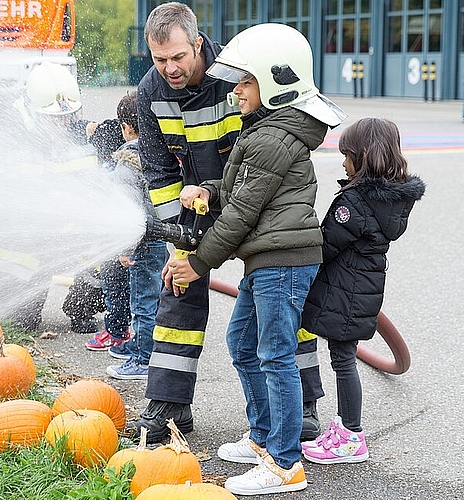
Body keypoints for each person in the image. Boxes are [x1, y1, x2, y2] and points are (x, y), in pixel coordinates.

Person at [129, 1, 325, 444]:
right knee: (176, 290)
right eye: (159, 59)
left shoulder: (239, 74)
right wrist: (178, 242)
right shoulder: (149, 93)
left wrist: (225, 227)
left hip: (257, 198)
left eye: (178, 57)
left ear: (197, 44)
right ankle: (170, 404)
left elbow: (269, 148)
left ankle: (304, 405)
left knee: (281, 302)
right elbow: (159, 173)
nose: (169, 68)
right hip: (197, 203)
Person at [166, 22, 346, 496]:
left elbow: (243, 213)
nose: (236, 90)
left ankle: (285, 463)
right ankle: (265, 436)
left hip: (281, 261)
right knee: (244, 344)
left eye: (246, 81)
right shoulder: (268, 130)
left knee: (275, 355)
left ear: (276, 82)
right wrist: (207, 190)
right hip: (268, 260)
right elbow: (241, 191)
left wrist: (197, 263)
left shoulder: (271, 137)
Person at [298, 118, 425, 465]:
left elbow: (325, 246)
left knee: (342, 359)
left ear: (364, 156)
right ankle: (344, 428)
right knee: (344, 357)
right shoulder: (393, 200)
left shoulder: (352, 203)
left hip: (345, 291)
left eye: (347, 155)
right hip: (364, 288)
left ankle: (351, 436)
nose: (343, 162)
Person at [0, 61, 107, 333]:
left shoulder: (81, 134)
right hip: (28, 239)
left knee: (105, 248)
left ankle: (81, 308)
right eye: (55, 118)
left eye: (68, 116)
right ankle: (20, 306)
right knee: (17, 323)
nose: (64, 123)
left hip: (74, 234)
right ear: (32, 110)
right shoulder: (10, 140)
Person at [105, 93, 168, 380]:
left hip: (141, 243)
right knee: (152, 298)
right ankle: (141, 346)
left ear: (126, 127)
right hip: (160, 239)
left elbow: (127, 209)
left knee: (142, 303)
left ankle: (143, 360)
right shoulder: (157, 154)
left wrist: (125, 247)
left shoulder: (127, 162)